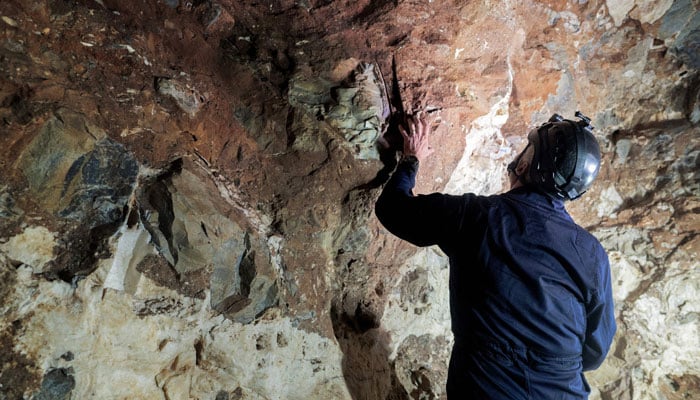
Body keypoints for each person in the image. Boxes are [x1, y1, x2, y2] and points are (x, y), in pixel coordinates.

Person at [375, 111, 616, 399]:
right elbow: (595, 352)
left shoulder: (477, 216)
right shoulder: (592, 255)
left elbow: (394, 210)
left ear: (525, 164)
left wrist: (411, 160)